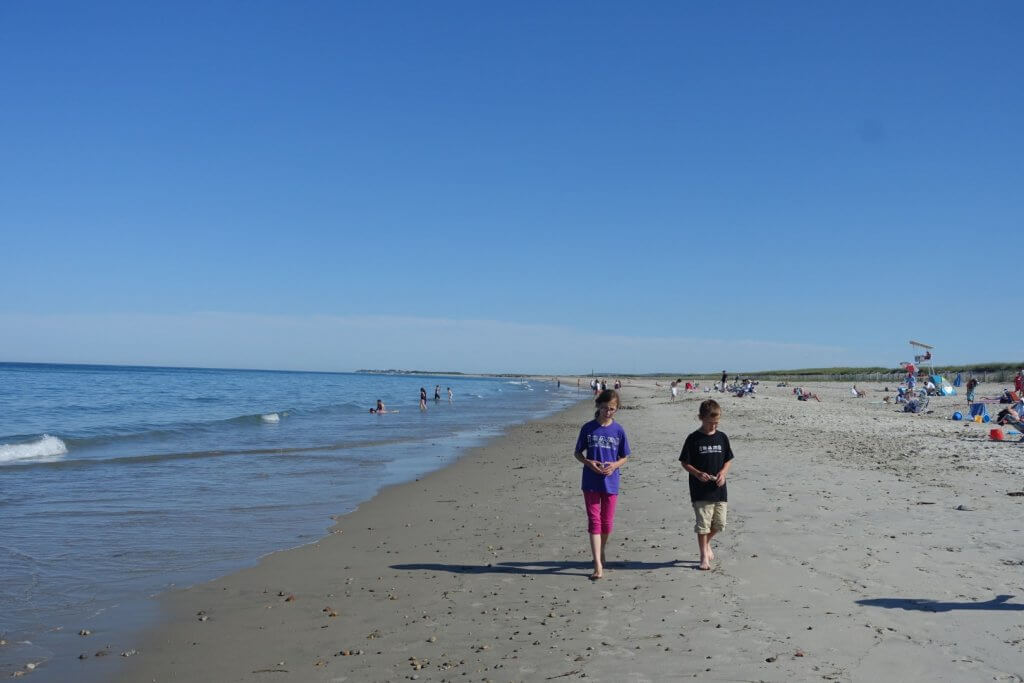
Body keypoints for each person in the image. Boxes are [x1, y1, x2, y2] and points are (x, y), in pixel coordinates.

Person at [573, 389, 631, 581]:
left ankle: (602, 549)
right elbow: (578, 453)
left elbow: (625, 456)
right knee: (594, 521)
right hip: (590, 481)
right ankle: (597, 563)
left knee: (606, 523)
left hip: (611, 482)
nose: (608, 412)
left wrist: (614, 465)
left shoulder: (619, 430)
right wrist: (589, 463)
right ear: (598, 406)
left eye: (612, 409)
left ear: (616, 409)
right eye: (605, 408)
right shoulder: (588, 428)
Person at [679, 399, 734, 571]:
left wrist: (723, 474)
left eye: (716, 423)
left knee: (719, 524)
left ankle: (707, 543)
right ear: (700, 418)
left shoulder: (722, 437)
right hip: (700, 490)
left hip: (719, 489)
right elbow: (685, 462)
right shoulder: (693, 438)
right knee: (703, 524)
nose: (713, 426)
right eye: (710, 423)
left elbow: (728, 460)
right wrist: (697, 473)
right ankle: (703, 555)